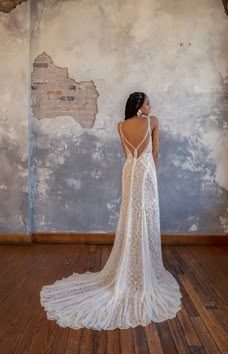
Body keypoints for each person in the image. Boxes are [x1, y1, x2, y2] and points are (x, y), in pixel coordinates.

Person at [40, 92, 182, 330]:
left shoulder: (121, 126)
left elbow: (127, 154)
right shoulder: (153, 121)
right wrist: (151, 176)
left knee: (130, 215)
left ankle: (130, 259)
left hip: (129, 170)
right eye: (147, 102)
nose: (150, 105)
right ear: (138, 105)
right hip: (146, 170)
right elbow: (155, 153)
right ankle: (140, 264)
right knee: (146, 215)